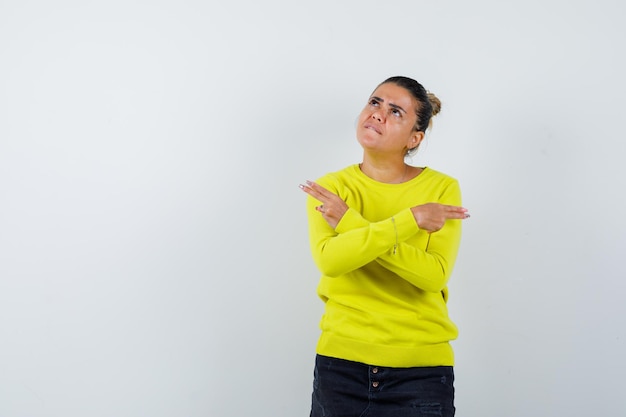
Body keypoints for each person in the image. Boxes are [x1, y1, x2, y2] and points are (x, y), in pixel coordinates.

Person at [299, 76, 469, 417]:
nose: (378, 114)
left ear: (414, 138)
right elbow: (331, 261)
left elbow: (433, 276)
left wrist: (350, 223)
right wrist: (411, 221)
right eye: (375, 102)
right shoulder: (331, 188)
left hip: (420, 370)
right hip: (341, 367)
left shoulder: (442, 189)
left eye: (395, 111)